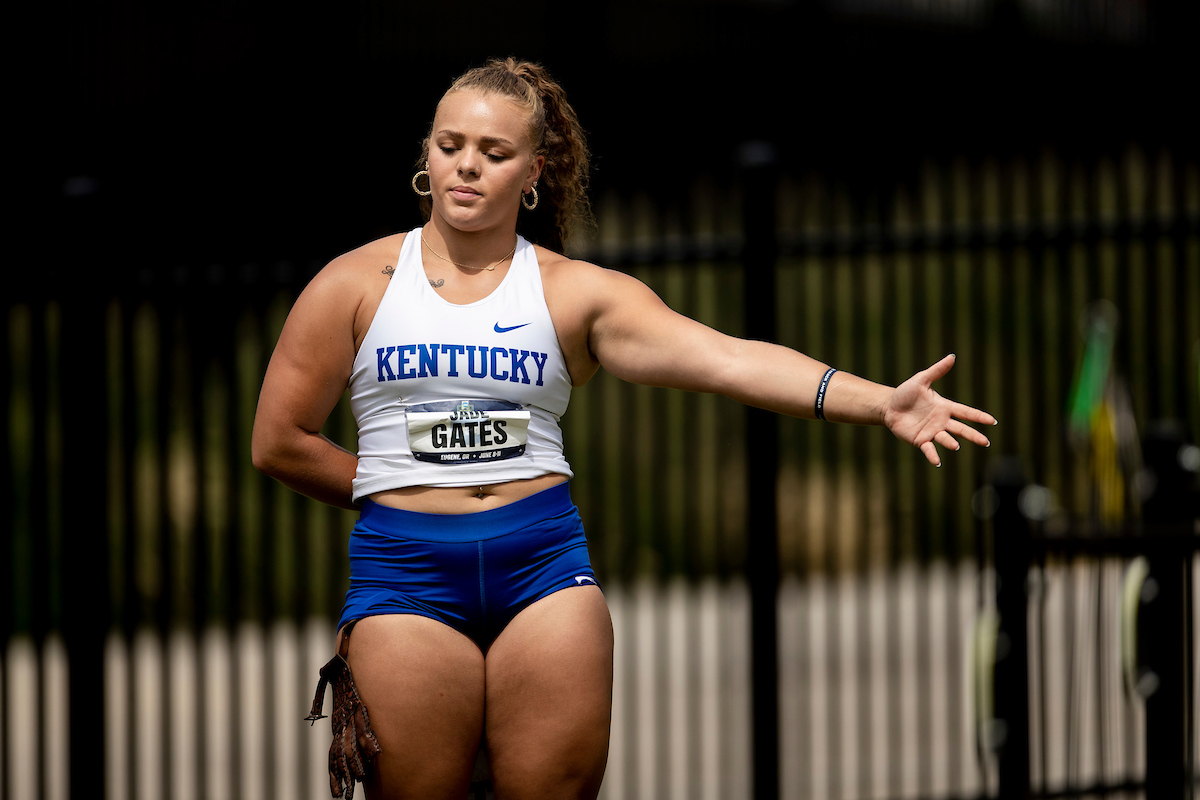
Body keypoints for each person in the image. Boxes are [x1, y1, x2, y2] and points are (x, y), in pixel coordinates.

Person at [251, 57, 996, 800]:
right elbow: (279, 439)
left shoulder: (575, 294)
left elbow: (729, 361)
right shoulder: (355, 283)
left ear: (533, 170)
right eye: (450, 146)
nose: (467, 167)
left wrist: (882, 403)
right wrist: (396, 485)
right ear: (426, 154)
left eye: (494, 152)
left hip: (542, 574)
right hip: (406, 577)